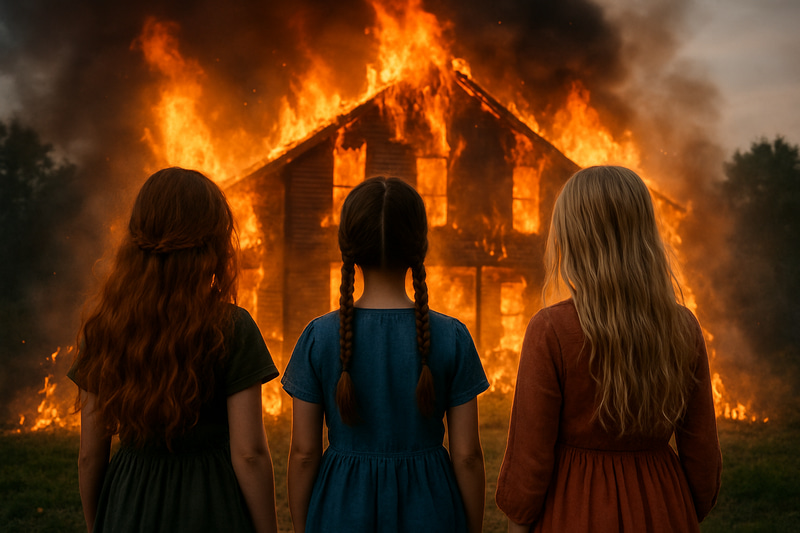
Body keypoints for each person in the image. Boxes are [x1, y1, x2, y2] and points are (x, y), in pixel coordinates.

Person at [495, 166, 722, 532]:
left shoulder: (550, 330)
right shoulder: (683, 327)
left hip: (573, 509)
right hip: (662, 506)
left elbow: (529, 463)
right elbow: (703, 460)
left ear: (570, 238)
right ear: (645, 235)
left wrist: (517, 523)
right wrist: (671, 506)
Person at [68, 167, 279, 533]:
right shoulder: (231, 326)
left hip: (131, 501)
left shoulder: (105, 328)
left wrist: (98, 524)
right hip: (211, 504)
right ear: (212, 245)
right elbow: (250, 454)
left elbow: (90, 457)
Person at [282, 176, 489, 533]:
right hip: (430, 509)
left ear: (347, 247)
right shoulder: (451, 336)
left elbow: (303, 454)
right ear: (419, 246)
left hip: (341, 509)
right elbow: (468, 456)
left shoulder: (320, 337)